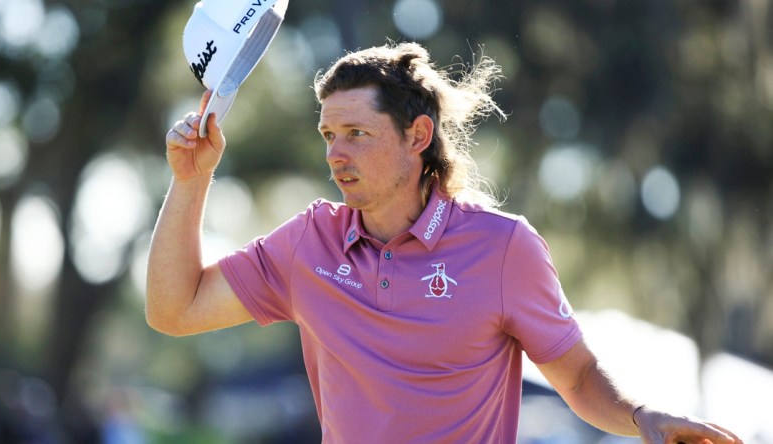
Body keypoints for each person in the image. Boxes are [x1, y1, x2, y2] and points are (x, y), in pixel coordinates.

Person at [146, 42, 742, 443]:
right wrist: (191, 179)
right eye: (329, 134)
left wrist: (642, 419)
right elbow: (175, 309)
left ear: (418, 135)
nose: (335, 153)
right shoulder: (309, 242)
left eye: (357, 133)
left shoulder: (504, 249)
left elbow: (579, 379)